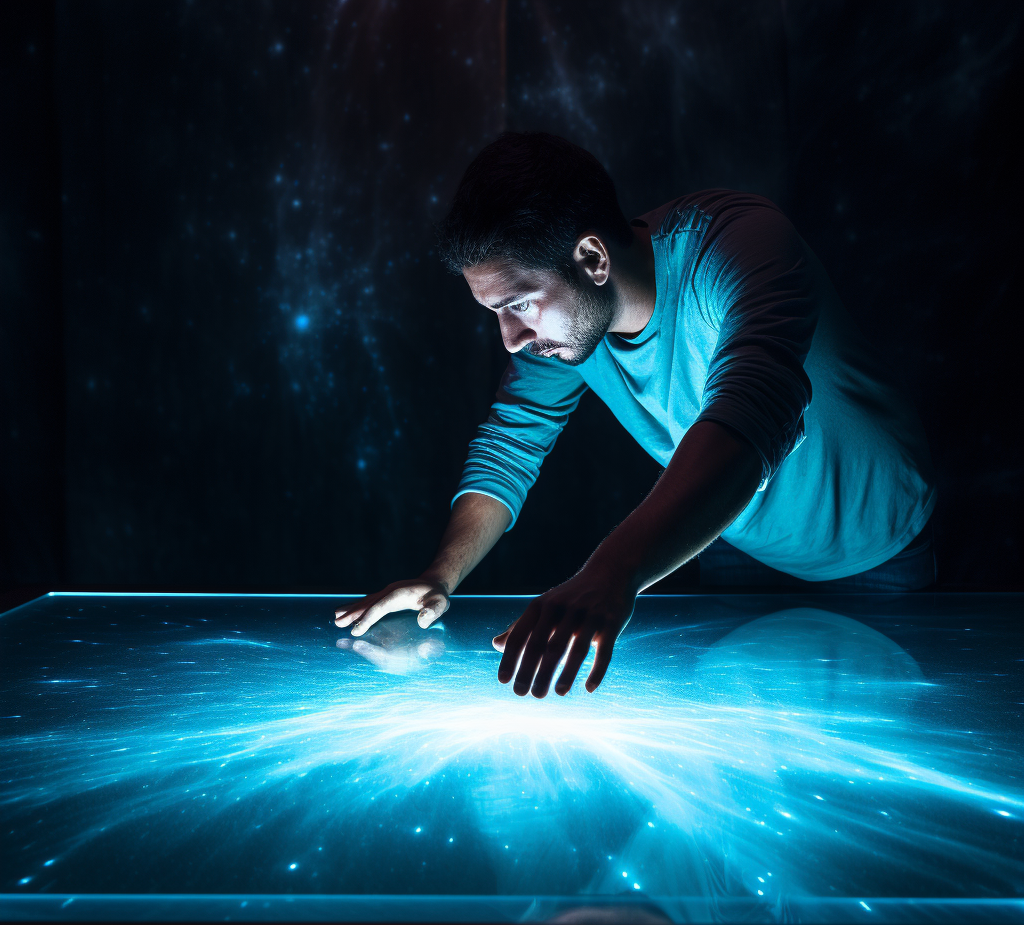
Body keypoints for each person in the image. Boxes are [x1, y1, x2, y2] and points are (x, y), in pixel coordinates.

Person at [335, 132, 936, 699]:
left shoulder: (739, 243)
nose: (511, 339)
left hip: (877, 545)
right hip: (730, 542)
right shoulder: (562, 336)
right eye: (496, 313)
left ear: (593, 258)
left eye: (518, 304)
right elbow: (508, 446)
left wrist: (611, 573)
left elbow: (756, 409)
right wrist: (442, 574)